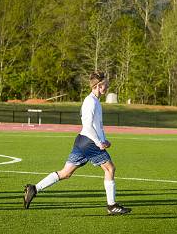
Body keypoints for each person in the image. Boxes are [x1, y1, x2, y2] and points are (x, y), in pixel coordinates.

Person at [23, 71, 131, 215]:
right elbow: (87, 126)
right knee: (110, 169)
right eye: (105, 84)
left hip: (83, 141)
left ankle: (34, 188)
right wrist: (99, 142)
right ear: (98, 86)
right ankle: (112, 206)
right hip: (89, 142)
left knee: (65, 173)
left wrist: (104, 139)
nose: (107, 86)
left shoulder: (95, 101)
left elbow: (97, 125)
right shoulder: (90, 102)